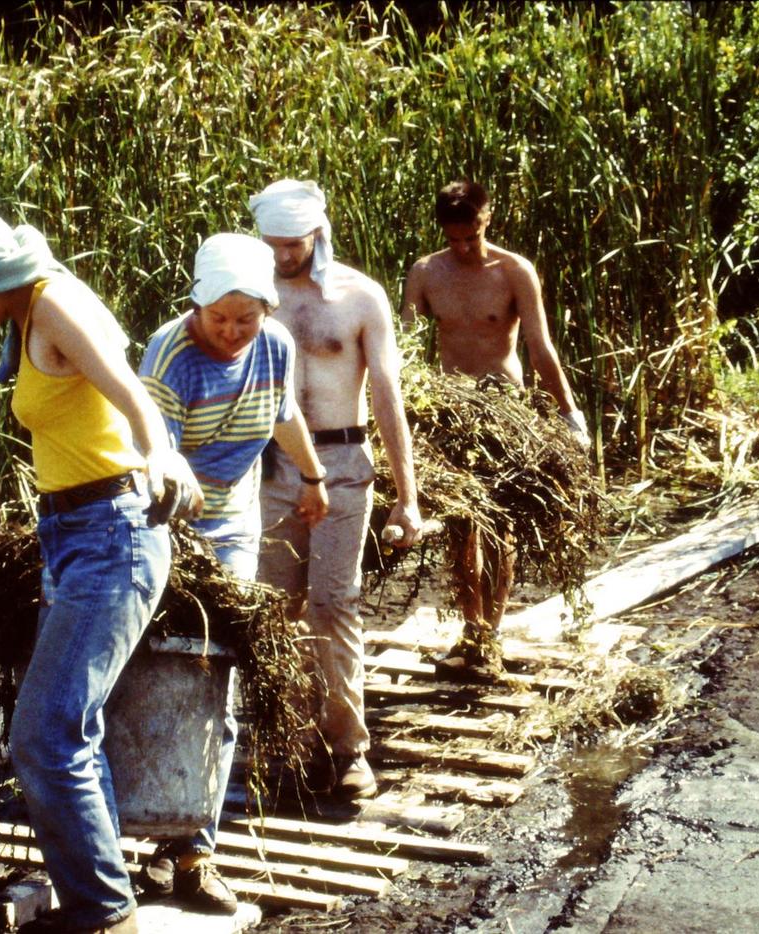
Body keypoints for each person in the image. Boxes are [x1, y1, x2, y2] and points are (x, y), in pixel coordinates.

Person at [0, 206, 202, 934]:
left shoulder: (56, 302)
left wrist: (162, 454)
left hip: (114, 532)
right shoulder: (26, 311)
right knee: (77, 727)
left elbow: (130, 390)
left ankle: (103, 914)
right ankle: (99, 893)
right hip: (72, 533)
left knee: (44, 736)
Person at [135, 233, 330, 913]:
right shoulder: (172, 352)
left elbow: (283, 415)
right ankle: (142, 827)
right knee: (155, 674)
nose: (232, 332)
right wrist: (182, 543)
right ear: (196, 306)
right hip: (165, 522)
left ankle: (194, 853)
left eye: (245, 319)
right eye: (219, 319)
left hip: (234, 524)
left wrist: (312, 473)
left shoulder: (274, 345)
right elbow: (154, 453)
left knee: (218, 681)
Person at [249, 179, 424, 798]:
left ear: (316, 234)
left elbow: (386, 393)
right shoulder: (253, 293)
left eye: (291, 245)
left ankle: (349, 747)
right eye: (269, 243)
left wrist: (409, 497)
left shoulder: (358, 296)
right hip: (270, 466)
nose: (279, 255)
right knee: (273, 607)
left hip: (343, 459)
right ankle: (284, 742)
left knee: (333, 603)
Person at [400, 180, 589, 676]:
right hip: (450, 410)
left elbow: (539, 346)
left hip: (505, 409)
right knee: (462, 527)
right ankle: (471, 629)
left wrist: (569, 413)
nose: (464, 247)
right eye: (455, 238)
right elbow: (402, 349)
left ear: (488, 219)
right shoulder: (425, 272)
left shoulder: (513, 271)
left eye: (474, 235)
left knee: (499, 524)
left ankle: (492, 632)